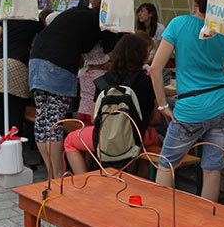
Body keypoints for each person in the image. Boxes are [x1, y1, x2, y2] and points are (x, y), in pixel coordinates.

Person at [151, 0, 224, 202]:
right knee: (212, 167)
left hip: (190, 106)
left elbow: (155, 68)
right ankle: (207, 222)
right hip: (223, 102)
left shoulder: (179, 24)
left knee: (167, 163)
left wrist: (162, 104)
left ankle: (160, 218)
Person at [29, 4, 118, 180]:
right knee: (54, 121)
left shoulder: (75, 16)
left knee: (42, 119)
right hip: (57, 64)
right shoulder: (105, 25)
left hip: (36, 59)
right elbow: (113, 53)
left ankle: (51, 172)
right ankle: (57, 175)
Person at [65, 32, 160, 175]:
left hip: (103, 139)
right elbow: (155, 119)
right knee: (154, 144)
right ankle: (139, 183)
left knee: (69, 142)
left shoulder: (103, 80)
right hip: (137, 137)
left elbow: (93, 118)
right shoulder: (146, 81)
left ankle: (82, 181)